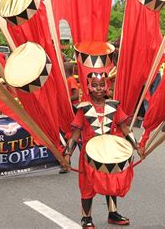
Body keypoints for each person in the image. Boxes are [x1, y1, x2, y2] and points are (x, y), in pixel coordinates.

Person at [62, 72, 143, 228]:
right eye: (94, 85)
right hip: (89, 153)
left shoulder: (113, 106)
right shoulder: (83, 108)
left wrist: (137, 146)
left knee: (111, 181)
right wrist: (67, 154)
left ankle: (113, 213)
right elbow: (76, 133)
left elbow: (124, 128)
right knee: (87, 185)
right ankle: (86, 218)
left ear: (107, 86)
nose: (98, 89)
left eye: (101, 85)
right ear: (88, 87)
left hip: (110, 151)